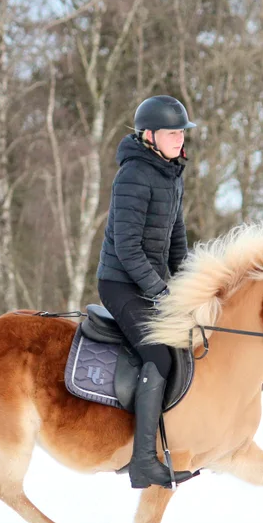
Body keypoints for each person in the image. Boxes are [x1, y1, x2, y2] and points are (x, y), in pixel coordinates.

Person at [96, 95, 199, 490]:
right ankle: (142, 462)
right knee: (157, 352)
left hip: (152, 283)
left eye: (182, 132)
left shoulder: (172, 173)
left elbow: (176, 240)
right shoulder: (134, 175)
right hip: (121, 284)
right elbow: (127, 248)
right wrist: (160, 292)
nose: (180, 139)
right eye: (174, 133)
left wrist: (188, 287)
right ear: (150, 136)